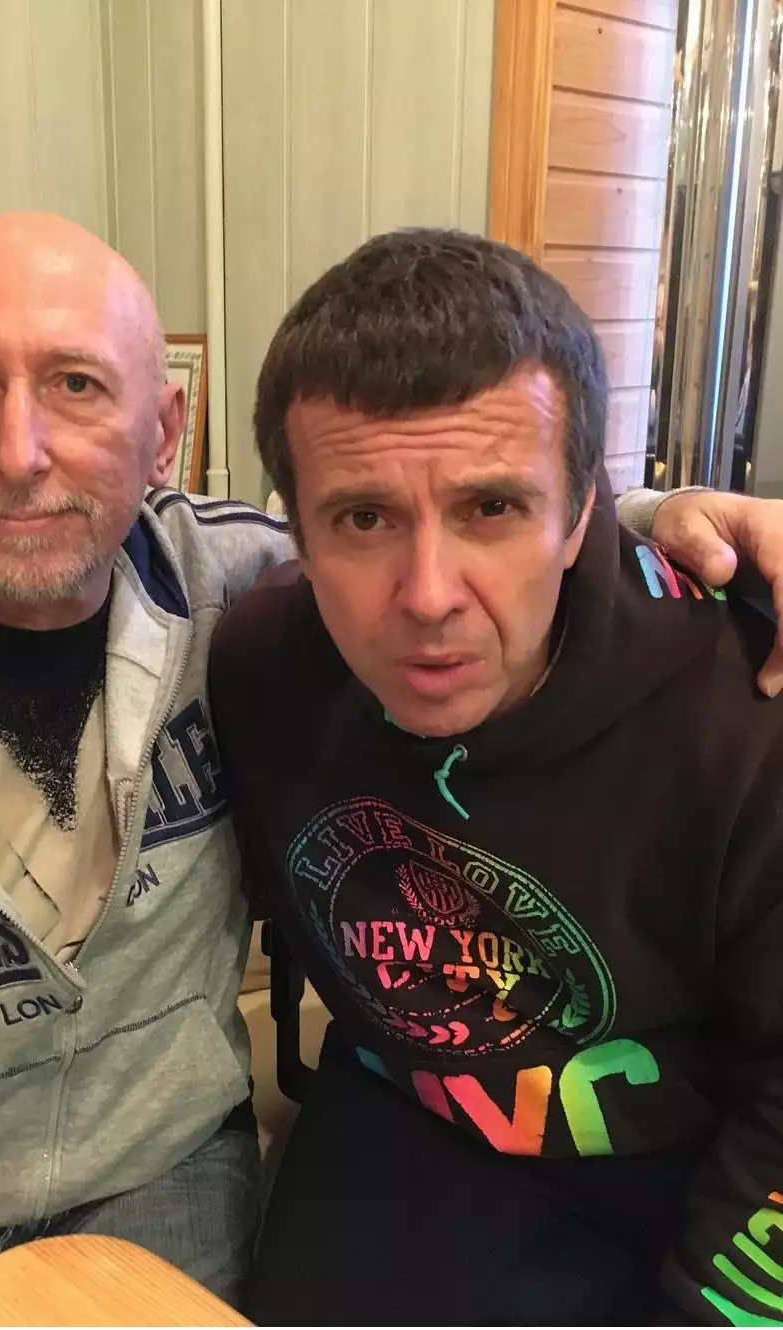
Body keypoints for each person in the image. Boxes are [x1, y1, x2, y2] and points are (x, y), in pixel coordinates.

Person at [0, 213, 779, 1327]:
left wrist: (687, 531)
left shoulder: (740, 715)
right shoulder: (260, 640)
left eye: (77, 384)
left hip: (178, 1170)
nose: (426, 595)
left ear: (163, 432)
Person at [209, 228, 783, 1326]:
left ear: (578, 513)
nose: (429, 595)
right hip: (404, 1123)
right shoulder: (258, 666)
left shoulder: (747, 714)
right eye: (364, 518)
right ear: (299, 534)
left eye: (492, 509)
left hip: (695, 1168)